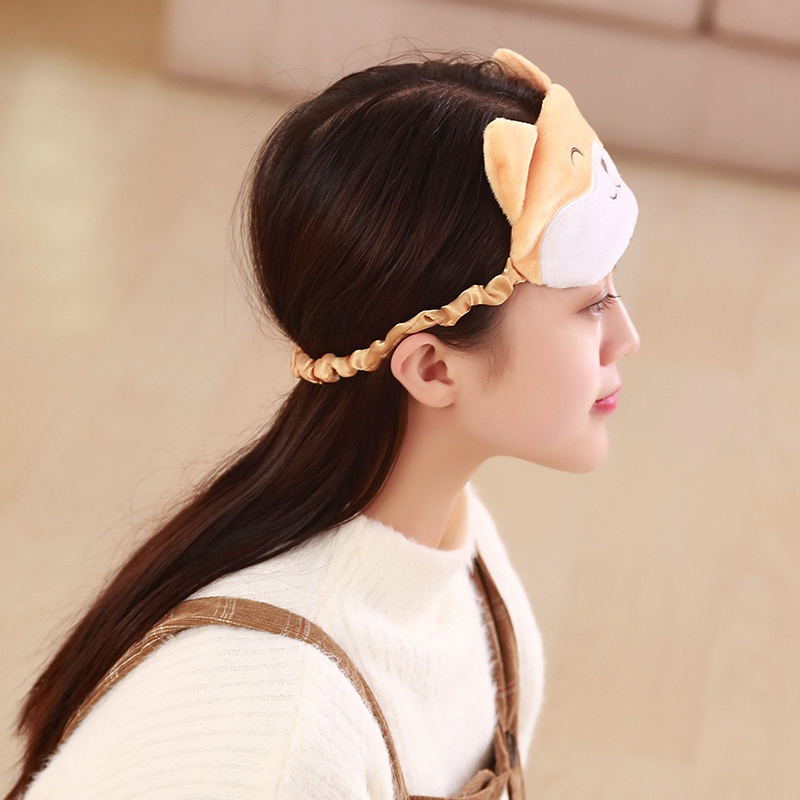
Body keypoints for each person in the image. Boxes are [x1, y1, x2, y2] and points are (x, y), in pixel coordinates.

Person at [7, 48, 640, 799]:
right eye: (590, 306)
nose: (625, 336)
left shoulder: (461, 556)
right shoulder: (278, 730)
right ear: (433, 369)